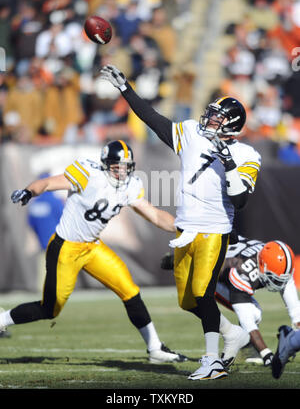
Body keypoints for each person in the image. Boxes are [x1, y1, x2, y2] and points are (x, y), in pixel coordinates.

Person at [100, 65, 261, 380]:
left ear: (232, 125)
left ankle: (212, 360)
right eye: (212, 113)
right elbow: (155, 120)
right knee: (188, 301)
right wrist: (126, 90)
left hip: (214, 230)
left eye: (218, 116)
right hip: (185, 229)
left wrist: (228, 162)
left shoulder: (246, 154)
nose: (210, 119)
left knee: (203, 292)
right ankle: (234, 334)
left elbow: (241, 200)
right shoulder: (190, 132)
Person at [0, 140, 187, 364]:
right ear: (107, 164)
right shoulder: (88, 173)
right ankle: (2, 319)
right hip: (66, 248)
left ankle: (155, 348)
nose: (122, 172)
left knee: (130, 291)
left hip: (92, 247)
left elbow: (154, 215)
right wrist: (29, 191)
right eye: (117, 167)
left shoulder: (131, 185)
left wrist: (184, 227)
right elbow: (49, 183)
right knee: (50, 310)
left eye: (126, 167)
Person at [161, 236, 299, 367]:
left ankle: (249, 347)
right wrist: (266, 354)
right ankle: (177, 260)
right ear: (261, 265)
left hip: (220, 252)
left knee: (260, 307)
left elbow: (295, 309)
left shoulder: (274, 262)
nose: (277, 283)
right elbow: (247, 320)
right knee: (254, 313)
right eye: (274, 279)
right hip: (209, 271)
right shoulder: (241, 272)